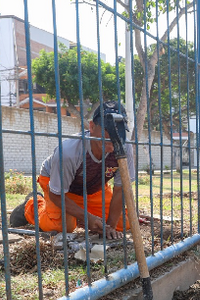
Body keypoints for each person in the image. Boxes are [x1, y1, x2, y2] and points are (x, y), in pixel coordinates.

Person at [10, 101, 135, 240]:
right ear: (92, 127)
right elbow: (56, 194)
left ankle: (79, 214)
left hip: (93, 187)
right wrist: (87, 217)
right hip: (60, 188)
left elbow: (120, 190)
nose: (113, 137)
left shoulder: (125, 147)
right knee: (63, 228)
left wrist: (109, 229)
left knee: (123, 223)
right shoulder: (69, 151)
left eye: (119, 131)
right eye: (107, 130)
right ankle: (32, 204)